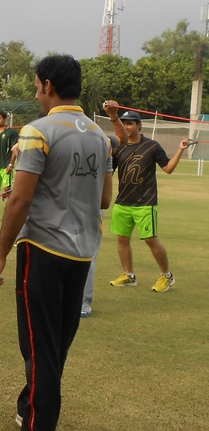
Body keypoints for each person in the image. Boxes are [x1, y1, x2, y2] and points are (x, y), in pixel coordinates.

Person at [0, 55, 112, 431]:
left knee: (38, 345)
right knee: (54, 344)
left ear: (49, 85)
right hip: (82, 256)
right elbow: (105, 200)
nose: (36, 93)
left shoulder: (38, 132)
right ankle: (29, 407)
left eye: (37, 87)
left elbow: (19, 199)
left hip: (42, 252)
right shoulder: (100, 136)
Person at [108, 110, 190, 293]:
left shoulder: (152, 146)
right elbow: (109, 172)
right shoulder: (119, 146)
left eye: (130, 123)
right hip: (122, 202)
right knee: (122, 239)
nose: (127, 126)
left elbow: (168, 168)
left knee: (150, 239)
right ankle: (129, 275)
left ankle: (167, 276)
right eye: (124, 123)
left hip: (145, 202)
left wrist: (180, 150)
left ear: (139, 125)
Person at [80, 100, 127, 318]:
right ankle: (78, 303)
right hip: (81, 207)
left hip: (89, 207)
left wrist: (114, 115)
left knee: (86, 257)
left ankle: (82, 303)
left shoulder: (102, 142)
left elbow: (123, 139)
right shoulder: (100, 140)